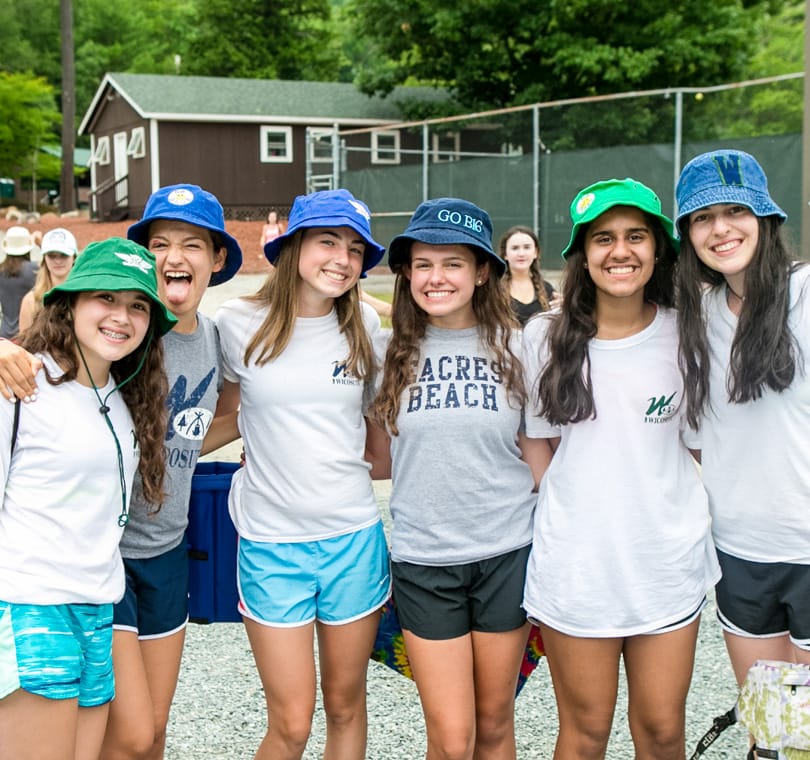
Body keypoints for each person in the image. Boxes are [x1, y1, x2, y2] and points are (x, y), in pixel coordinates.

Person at [0, 184, 243, 759]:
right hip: (60, 583)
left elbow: (188, 429)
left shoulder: (202, 344)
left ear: (218, 261)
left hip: (139, 562)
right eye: (160, 243)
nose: (174, 257)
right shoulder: (47, 376)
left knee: (143, 735)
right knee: (120, 733)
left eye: (193, 245)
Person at [521, 179, 719, 759]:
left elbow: (700, 446)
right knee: (585, 734)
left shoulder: (687, 334)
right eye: (602, 238)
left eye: (636, 236)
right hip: (577, 570)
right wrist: (573, 508)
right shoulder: (544, 338)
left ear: (658, 249)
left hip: (666, 564)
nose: (620, 251)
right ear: (582, 254)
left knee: (661, 730)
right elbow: (538, 442)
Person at [368, 198, 550, 760]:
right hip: (426, 562)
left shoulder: (519, 348)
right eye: (422, 264)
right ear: (405, 274)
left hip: (506, 554)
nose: (436, 277)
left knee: (494, 724)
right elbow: (379, 460)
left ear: (482, 272)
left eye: (452, 263)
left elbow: (537, 453)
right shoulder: (386, 353)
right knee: (450, 737)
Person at [214, 188, 389, 760]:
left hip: (353, 540)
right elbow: (222, 415)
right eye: (328, 242)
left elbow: (380, 425)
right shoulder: (237, 323)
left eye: (356, 249)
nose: (342, 258)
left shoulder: (363, 321)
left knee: (345, 707)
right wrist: (161, 457)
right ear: (293, 247)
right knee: (291, 724)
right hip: (271, 545)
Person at [0, 237, 175, 760]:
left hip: (98, 608)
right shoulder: (22, 384)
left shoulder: (124, 399)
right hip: (32, 606)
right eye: (106, 298)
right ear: (70, 303)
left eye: (138, 305)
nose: (122, 316)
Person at [675, 150, 810, 755]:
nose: (720, 228)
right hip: (741, 552)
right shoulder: (695, 317)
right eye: (702, 218)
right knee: (772, 731)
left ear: (766, 218)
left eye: (735, 211)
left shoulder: (806, 293)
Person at [19, 227, 79, 332]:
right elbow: (24, 344)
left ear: (74, 257)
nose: (58, 261)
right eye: (52, 256)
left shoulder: (84, 297)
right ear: (44, 259)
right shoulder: (31, 301)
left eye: (64, 255)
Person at [499, 225, 560, 325]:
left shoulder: (547, 290)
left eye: (527, 247)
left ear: (535, 252)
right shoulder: (494, 290)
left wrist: (565, 309)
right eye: (515, 248)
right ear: (505, 254)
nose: (521, 253)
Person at [0, 225, 38, 338]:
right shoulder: (35, 270)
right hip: (27, 335)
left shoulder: (1, 271)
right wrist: (41, 244)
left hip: (4, 336)